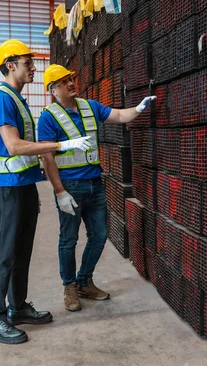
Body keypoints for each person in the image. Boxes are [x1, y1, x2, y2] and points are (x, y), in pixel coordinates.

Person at [0, 40, 93, 344]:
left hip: (25, 185)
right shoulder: (1, 99)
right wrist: (61, 145)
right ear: (11, 64)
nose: (34, 68)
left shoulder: (18, 99)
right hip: (8, 190)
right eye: (28, 63)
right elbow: (14, 146)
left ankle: (17, 308)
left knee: (21, 253)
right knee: (4, 255)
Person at [37, 64, 155, 312]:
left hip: (95, 184)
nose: (70, 83)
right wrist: (60, 192)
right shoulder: (48, 117)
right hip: (71, 186)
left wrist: (139, 109)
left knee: (99, 235)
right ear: (53, 90)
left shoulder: (90, 107)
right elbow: (47, 157)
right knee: (68, 240)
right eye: (63, 81)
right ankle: (69, 286)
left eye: (71, 79)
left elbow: (119, 116)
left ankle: (85, 281)